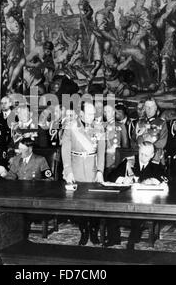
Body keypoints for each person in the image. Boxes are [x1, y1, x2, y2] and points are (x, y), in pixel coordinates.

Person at [106, 142, 166, 249]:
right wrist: (123, 179)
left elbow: (165, 179)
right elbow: (110, 176)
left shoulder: (156, 166)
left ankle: (132, 240)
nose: (143, 157)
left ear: (152, 155)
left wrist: (154, 181)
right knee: (111, 207)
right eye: (141, 153)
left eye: (146, 155)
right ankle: (114, 238)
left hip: (144, 202)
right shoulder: (129, 162)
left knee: (138, 212)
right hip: (126, 199)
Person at [61, 102, 105, 246]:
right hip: (76, 168)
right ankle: (84, 231)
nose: (93, 117)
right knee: (77, 203)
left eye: (94, 114)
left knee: (95, 203)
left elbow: (101, 152)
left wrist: (100, 171)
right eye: (89, 114)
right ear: (81, 114)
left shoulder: (99, 127)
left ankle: (93, 230)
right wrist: (68, 171)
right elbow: (65, 150)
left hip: (92, 169)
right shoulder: (71, 126)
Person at [88, 0, 120, 80]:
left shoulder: (111, 15)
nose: (115, 6)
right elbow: (101, 30)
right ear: (110, 5)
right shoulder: (100, 14)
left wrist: (118, 38)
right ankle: (89, 83)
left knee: (110, 56)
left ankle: (107, 81)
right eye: (114, 4)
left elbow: (113, 28)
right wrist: (114, 39)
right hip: (97, 39)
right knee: (98, 64)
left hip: (106, 39)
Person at [133, 98, 168, 164]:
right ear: (144, 108)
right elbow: (133, 140)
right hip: (140, 157)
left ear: (155, 108)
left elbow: (162, 142)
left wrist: (148, 150)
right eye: (147, 107)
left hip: (155, 157)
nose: (149, 109)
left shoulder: (161, 123)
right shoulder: (139, 122)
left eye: (151, 107)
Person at [104, 104, 129, 172]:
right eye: (104, 111)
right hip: (103, 160)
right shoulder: (101, 126)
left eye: (108, 111)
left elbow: (125, 145)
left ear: (113, 112)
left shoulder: (121, 126)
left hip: (116, 159)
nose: (106, 114)